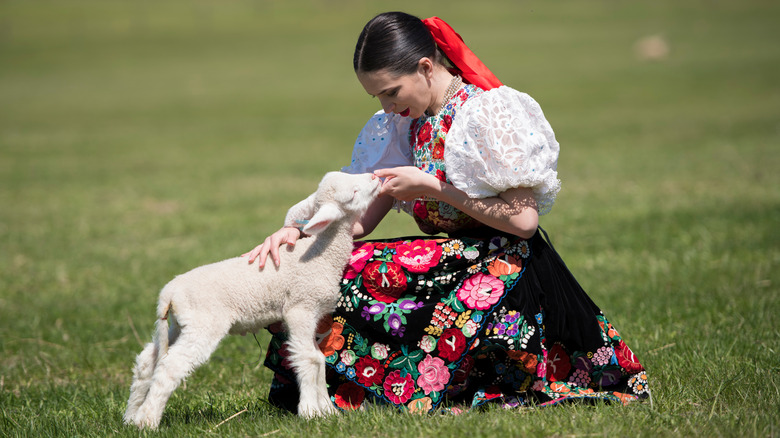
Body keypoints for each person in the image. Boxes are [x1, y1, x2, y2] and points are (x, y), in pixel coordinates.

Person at [245, 11, 649, 413]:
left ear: (425, 68)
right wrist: (297, 235)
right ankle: (340, 391)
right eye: (378, 97)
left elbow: (525, 223)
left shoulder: (486, 113)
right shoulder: (403, 125)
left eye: (392, 91)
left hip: (506, 269)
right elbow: (360, 222)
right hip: (452, 261)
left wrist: (434, 188)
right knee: (325, 273)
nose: (387, 107)